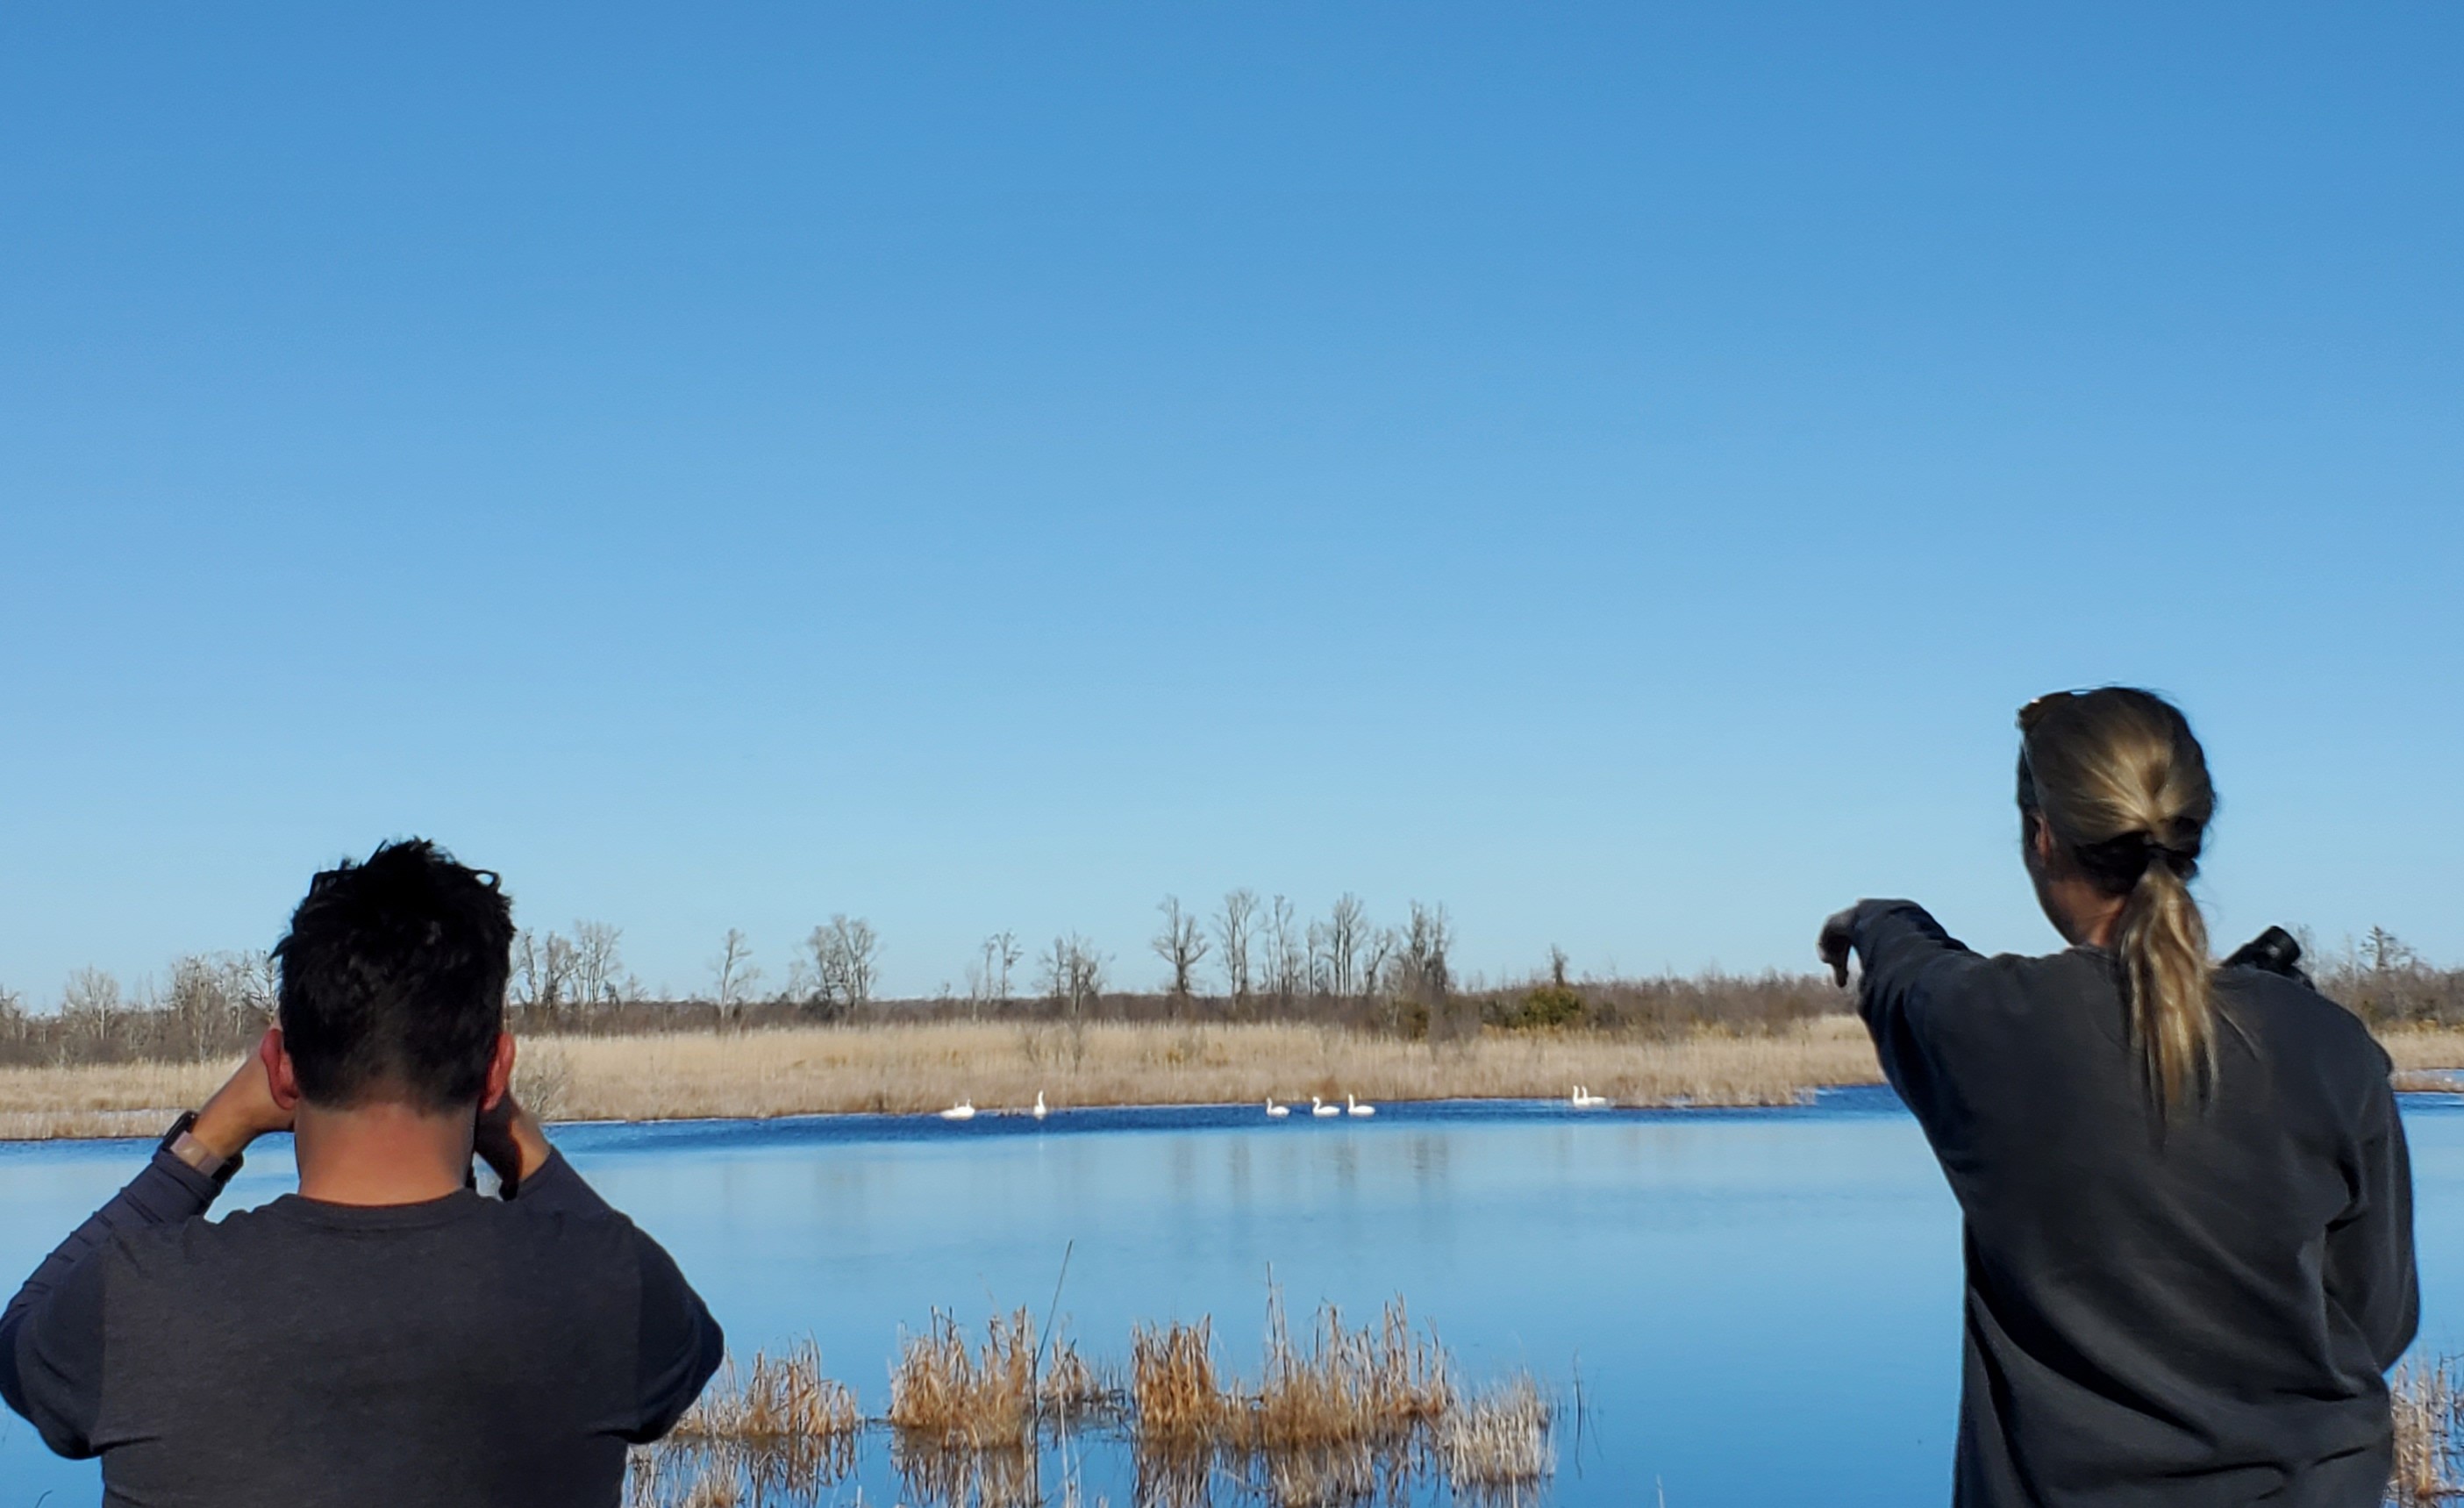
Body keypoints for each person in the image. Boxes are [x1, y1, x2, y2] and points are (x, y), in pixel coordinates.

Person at [1818, 687, 2416, 1506]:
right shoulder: (2332, 1046)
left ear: (2041, 836)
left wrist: (1872, 919)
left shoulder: (1987, 1026)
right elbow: (2376, 1322)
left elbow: (1913, 970)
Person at [0, 840, 724, 1507]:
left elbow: (19, 1343)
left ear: (281, 1065)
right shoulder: (604, 1282)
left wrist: (209, 1139)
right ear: (496, 1069)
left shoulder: (136, 1293)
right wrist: (522, 1148)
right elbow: (690, 1348)